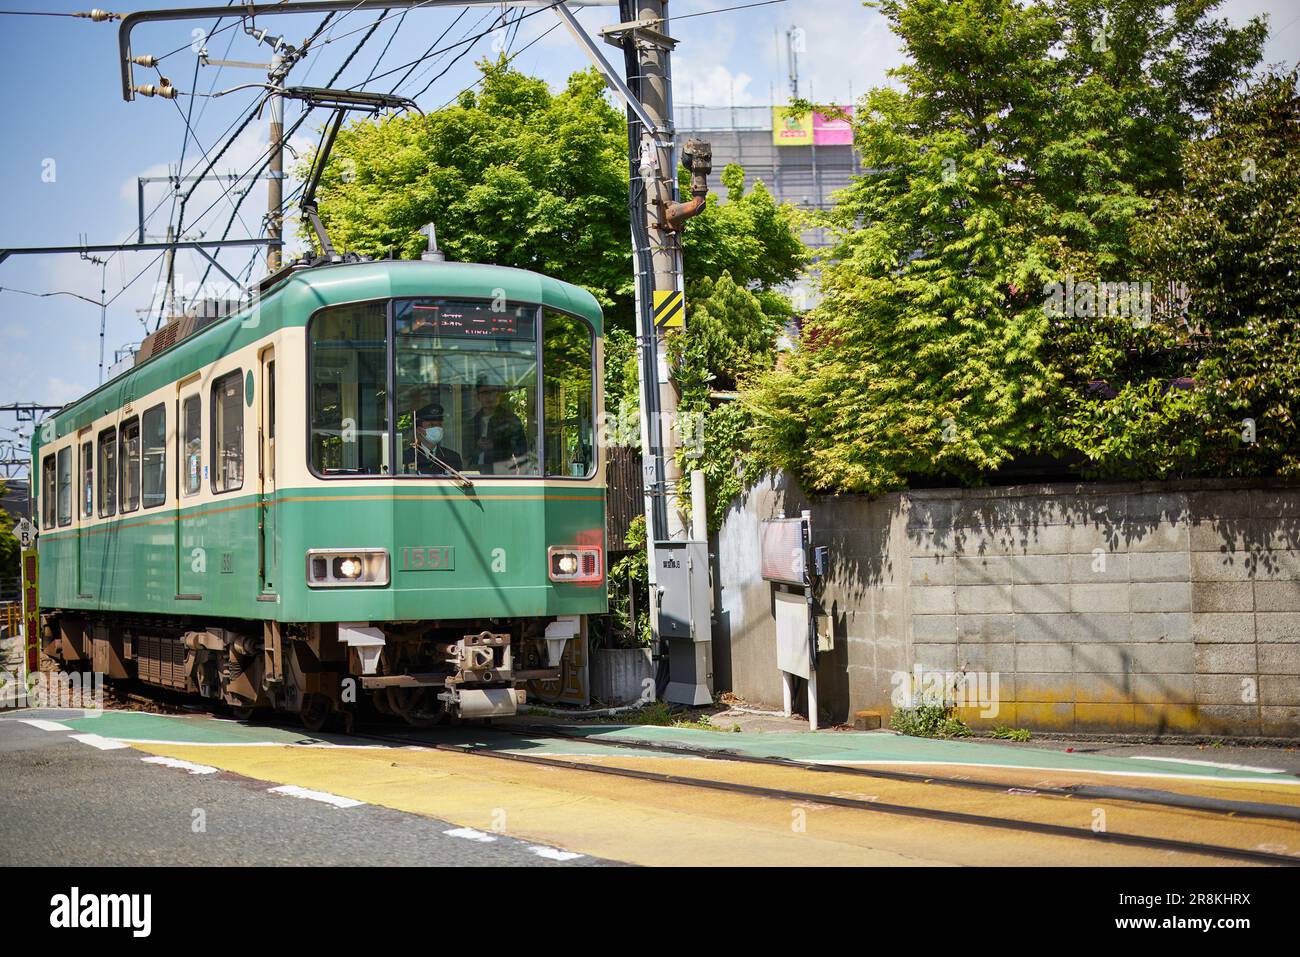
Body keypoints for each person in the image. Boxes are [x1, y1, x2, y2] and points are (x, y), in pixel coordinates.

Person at [468, 378, 528, 473]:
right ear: (478, 396)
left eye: (494, 392)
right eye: (485, 393)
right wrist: (477, 447)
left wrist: (494, 446)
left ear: (500, 395)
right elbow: (464, 453)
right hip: (472, 475)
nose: (490, 397)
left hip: (500, 473)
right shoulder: (472, 423)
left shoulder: (511, 420)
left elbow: (521, 453)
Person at [402, 404, 464, 475]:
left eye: (439, 425)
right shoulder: (407, 457)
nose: (437, 429)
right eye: (431, 425)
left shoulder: (452, 457)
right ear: (419, 430)